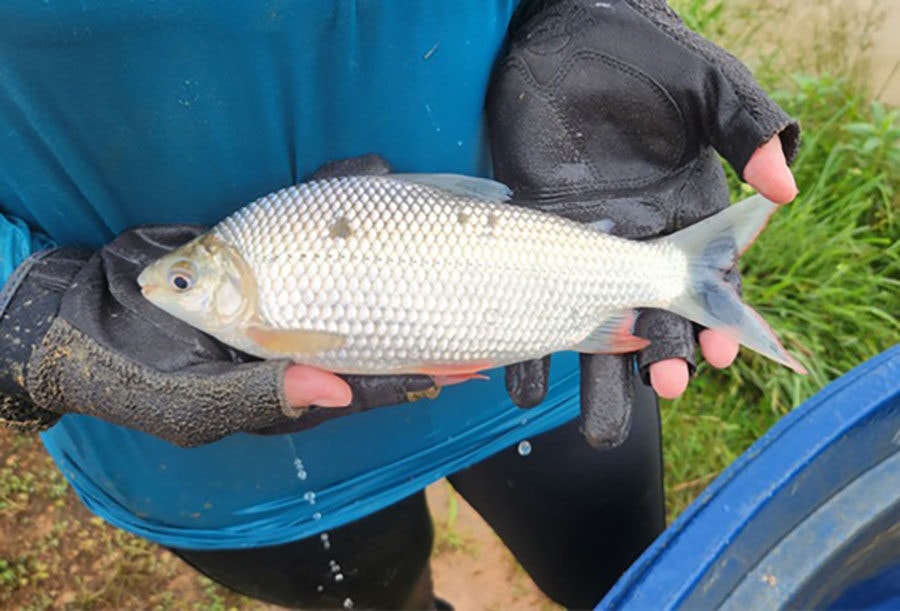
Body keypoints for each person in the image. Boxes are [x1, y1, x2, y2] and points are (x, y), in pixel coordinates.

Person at [0, 0, 799, 608]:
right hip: (207, 436)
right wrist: (20, 305)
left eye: (180, 280)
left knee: (626, 574)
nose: (169, 283)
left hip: (543, 323)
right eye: (181, 282)